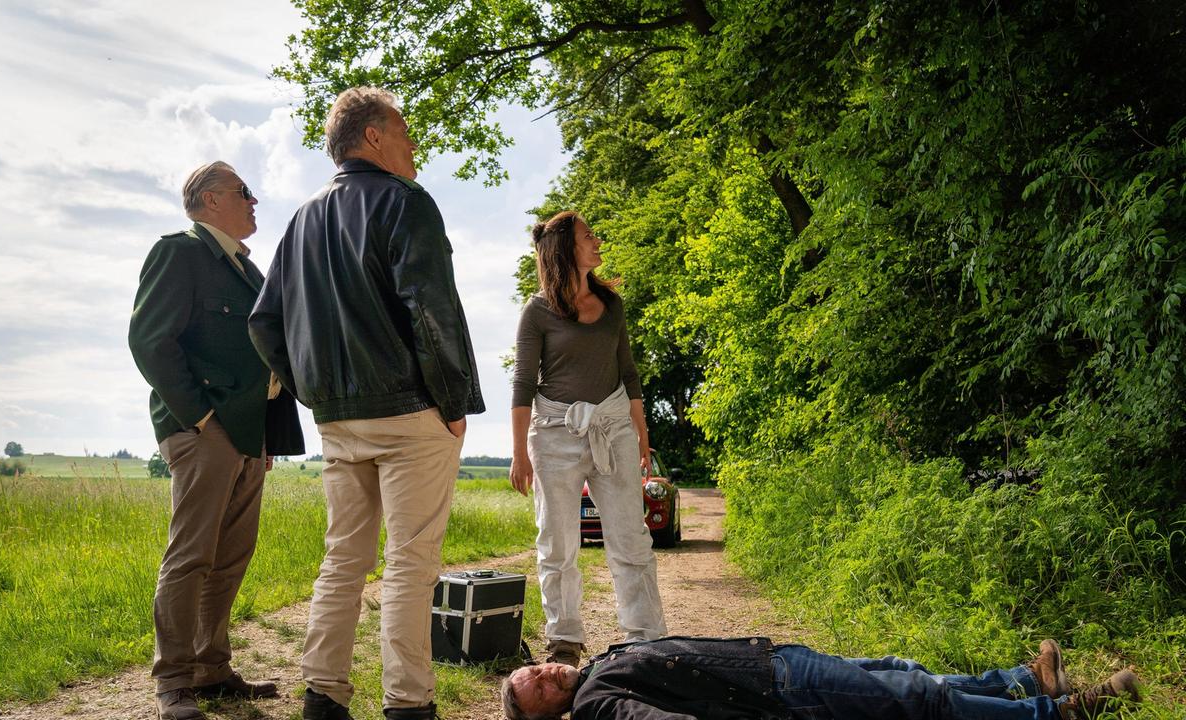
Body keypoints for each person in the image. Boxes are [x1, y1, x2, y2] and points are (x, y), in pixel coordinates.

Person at [249, 87, 484, 720]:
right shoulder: (407, 203)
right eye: (405, 133)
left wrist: (314, 392)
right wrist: (455, 400)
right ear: (373, 137)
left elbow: (265, 323)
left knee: (343, 558)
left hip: (338, 419)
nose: (414, 147)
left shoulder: (301, 219)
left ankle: (323, 696)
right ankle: (409, 705)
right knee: (410, 564)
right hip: (411, 412)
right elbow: (431, 311)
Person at [129, 161, 305, 720]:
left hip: (250, 434)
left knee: (231, 555)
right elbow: (150, 341)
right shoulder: (179, 252)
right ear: (209, 200)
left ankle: (211, 669)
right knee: (191, 556)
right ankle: (173, 684)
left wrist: (262, 430)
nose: (255, 201)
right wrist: (201, 418)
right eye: (243, 192)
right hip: (205, 431)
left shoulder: (246, 271)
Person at [509, 211, 667, 666]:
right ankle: (564, 639)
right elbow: (523, 382)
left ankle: (646, 637)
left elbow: (628, 371)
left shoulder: (611, 304)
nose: (597, 241)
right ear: (566, 250)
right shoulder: (537, 311)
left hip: (613, 426)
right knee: (557, 543)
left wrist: (641, 430)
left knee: (631, 538)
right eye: (588, 237)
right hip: (555, 434)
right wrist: (520, 453)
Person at [500, 636, 1142, 720]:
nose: (549, 673)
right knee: (916, 699)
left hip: (773, 659)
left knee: (902, 672)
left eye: (537, 668)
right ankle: (1061, 712)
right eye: (543, 688)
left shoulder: (594, 669)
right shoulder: (596, 707)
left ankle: (1023, 681)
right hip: (779, 687)